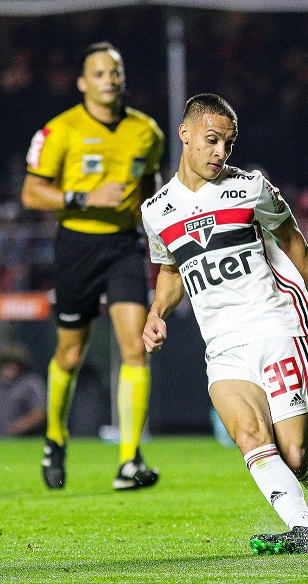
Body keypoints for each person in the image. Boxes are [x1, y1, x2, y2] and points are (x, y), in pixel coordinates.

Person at [141, 94, 308, 554]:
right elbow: (171, 270)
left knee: (296, 456)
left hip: (278, 330)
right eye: (213, 140)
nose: (221, 152)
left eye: (229, 144)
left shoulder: (250, 188)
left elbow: (296, 245)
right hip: (223, 347)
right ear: (185, 133)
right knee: (249, 438)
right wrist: (156, 313)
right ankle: (307, 532)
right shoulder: (156, 211)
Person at [21, 42, 163, 490]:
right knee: (69, 353)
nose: (109, 79)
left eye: (115, 72)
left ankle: (128, 460)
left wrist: (155, 218)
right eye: (99, 73)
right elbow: (31, 193)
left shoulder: (147, 132)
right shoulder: (60, 130)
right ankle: (55, 438)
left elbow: (150, 184)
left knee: (134, 347)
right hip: (77, 245)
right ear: (83, 82)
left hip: (123, 246)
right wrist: (82, 197)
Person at [0, 344, 47, 437]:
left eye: (16, 364)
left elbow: (40, 412)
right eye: (8, 363)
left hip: (23, 439)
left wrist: (17, 427)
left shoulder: (30, 384)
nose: (12, 367)